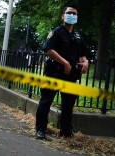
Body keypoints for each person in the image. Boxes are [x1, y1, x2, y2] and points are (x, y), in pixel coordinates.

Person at [35, 5, 89, 139]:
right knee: (46, 101)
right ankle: (40, 129)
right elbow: (48, 50)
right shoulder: (57, 32)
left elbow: (82, 54)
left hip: (70, 76)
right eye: (69, 13)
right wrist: (64, 63)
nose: (72, 15)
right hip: (54, 73)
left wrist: (85, 62)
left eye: (74, 14)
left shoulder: (77, 36)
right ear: (63, 16)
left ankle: (65, 131)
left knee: (68, 104)